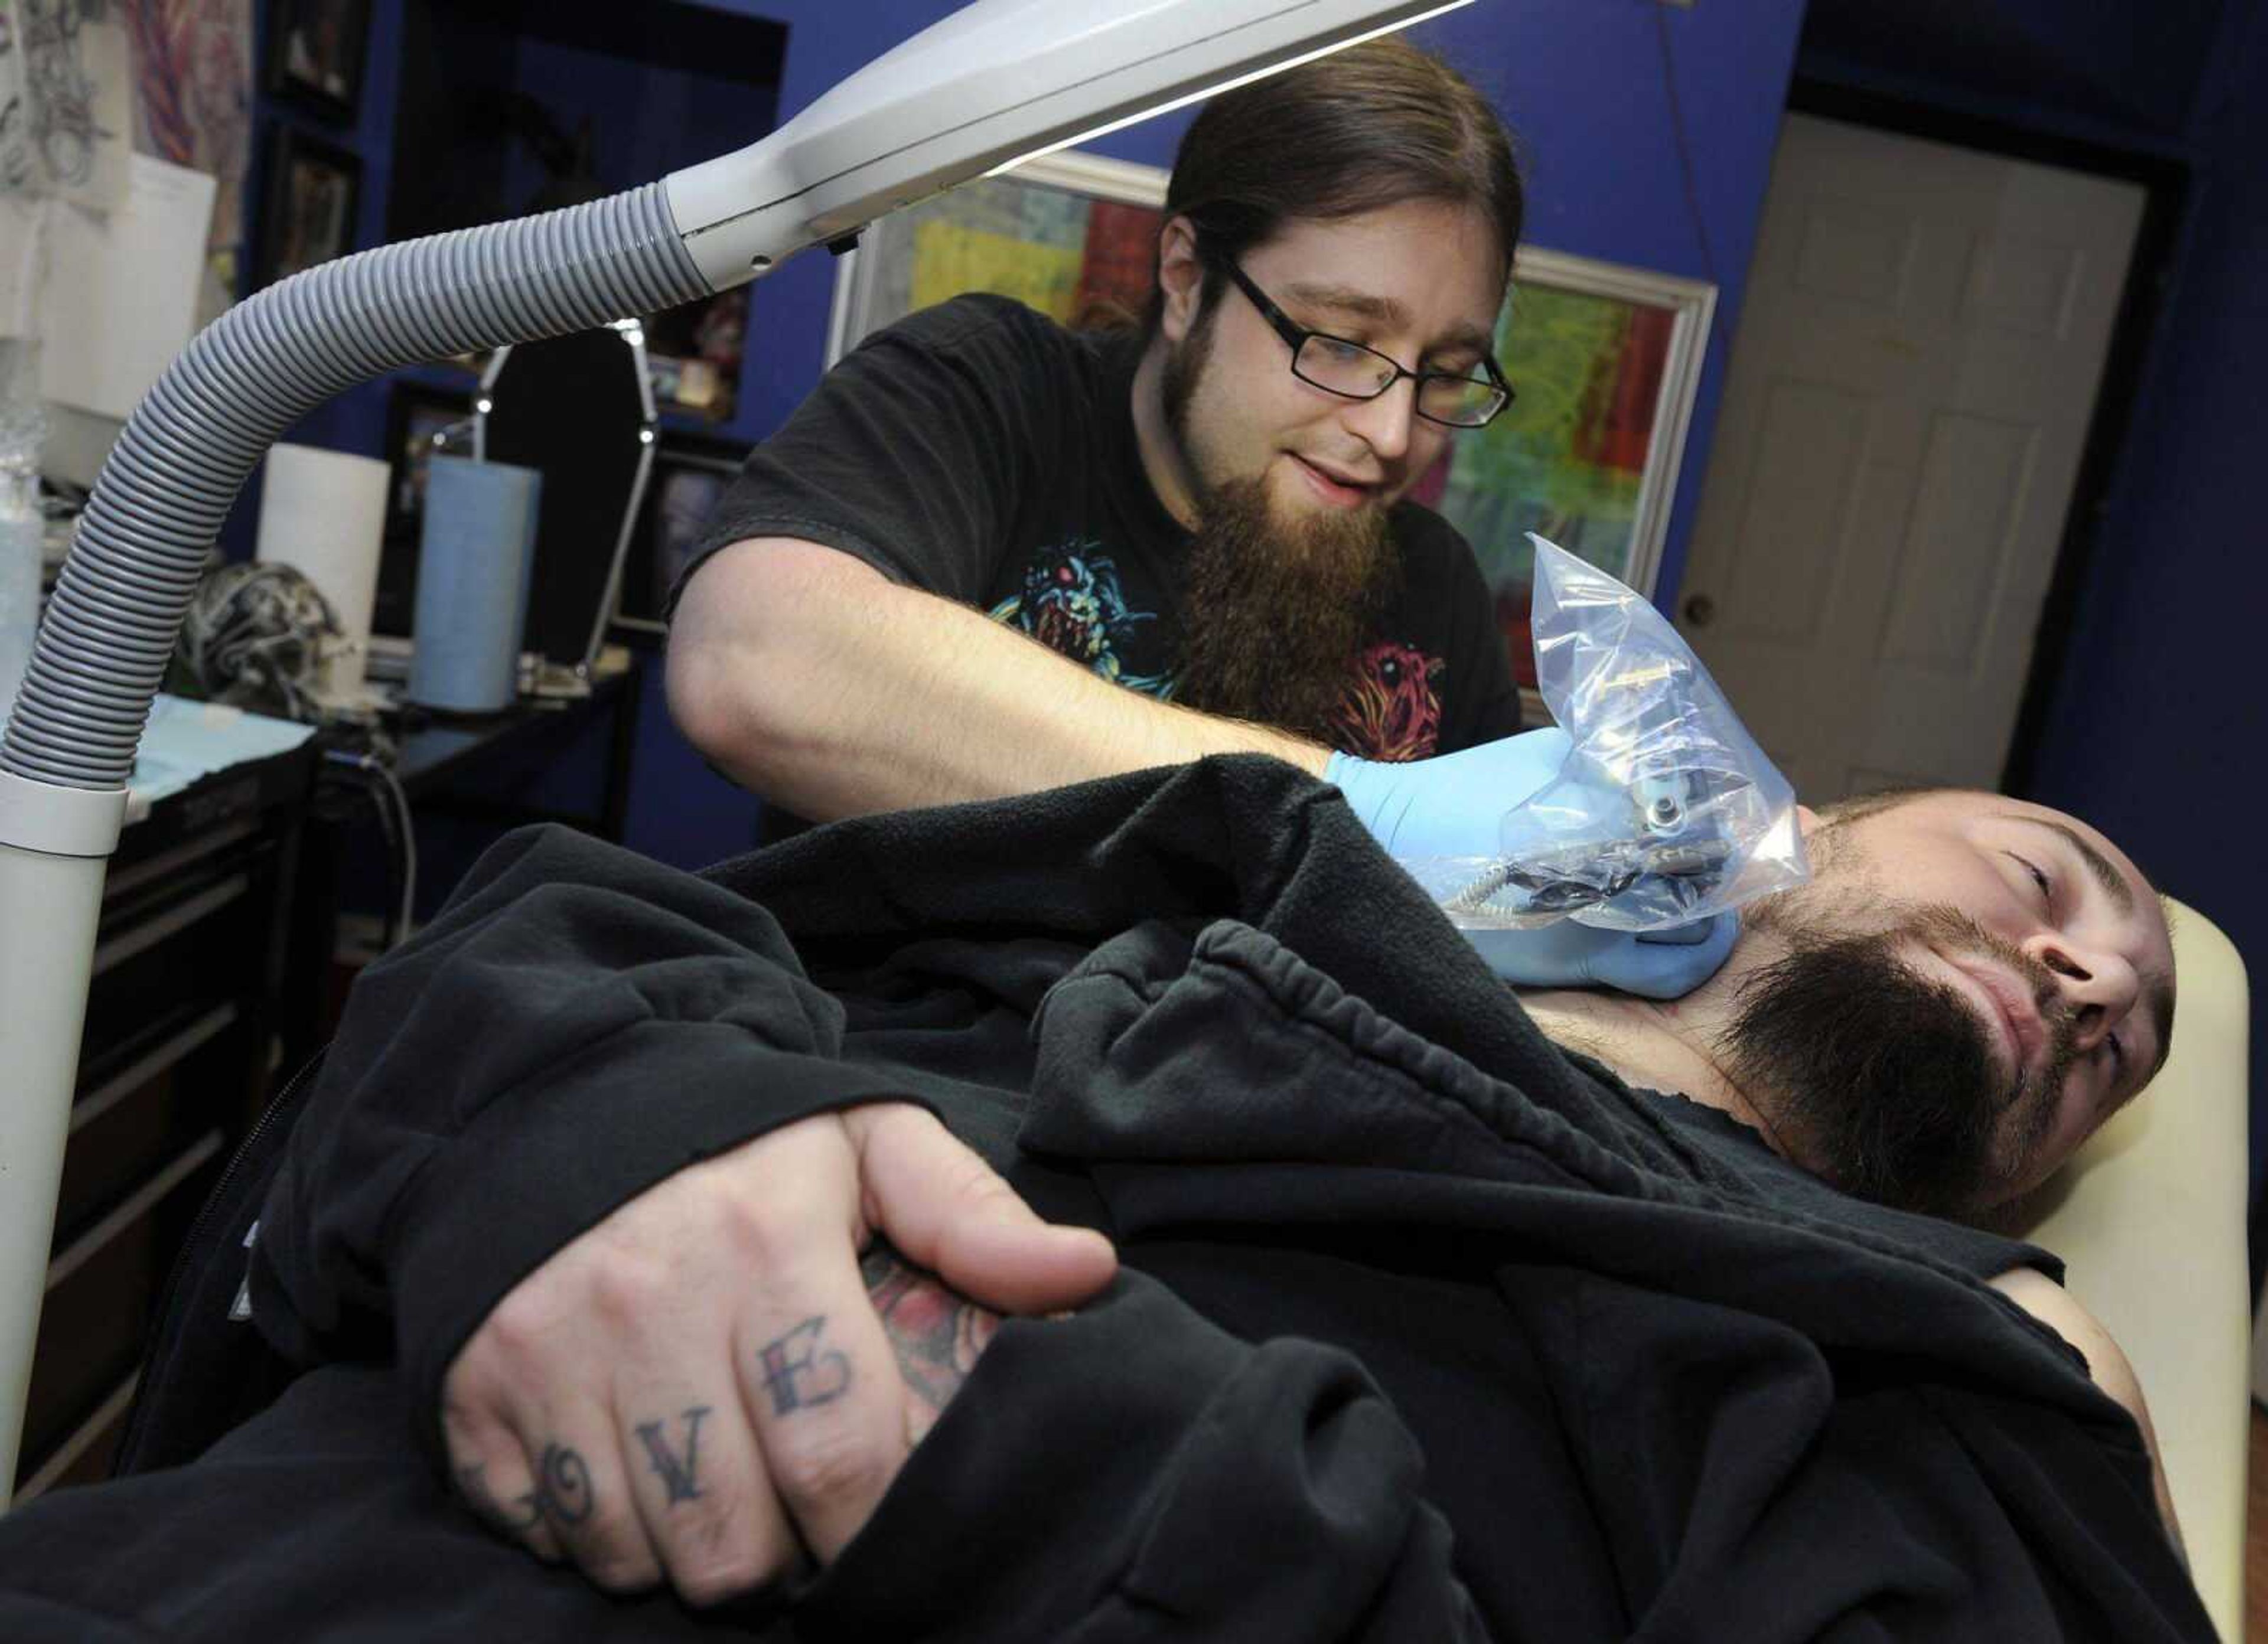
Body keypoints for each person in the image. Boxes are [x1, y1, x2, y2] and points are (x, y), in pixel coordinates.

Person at [0, 758, 2205, 1641]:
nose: (2103, 975)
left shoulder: (1947, 1372)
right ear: (1790, 823)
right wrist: (595, 1135)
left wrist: (1090, 1460)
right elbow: (540, 939)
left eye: (2127, 1041)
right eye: (2047, 882)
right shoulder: (1235, 882)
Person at [662, 38, 1732, 1000]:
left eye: (1447, 370)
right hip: (887, 1081)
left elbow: (1508, 911)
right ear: (1185, 279)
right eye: (1344, 343)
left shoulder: (1431, 581)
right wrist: (1343, 810)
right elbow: (754, 662)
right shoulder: (989, 394)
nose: (1398, 433)